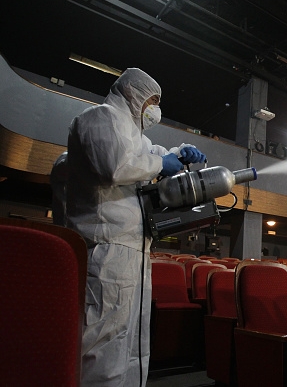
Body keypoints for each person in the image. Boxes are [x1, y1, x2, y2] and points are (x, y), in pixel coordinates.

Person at [64, 68, 206, 387]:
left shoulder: (137, 137)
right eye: (152, 100)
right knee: (101, 343)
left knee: (129, 343)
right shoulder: (100, 117)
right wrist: (161, 164)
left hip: (133, 250)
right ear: (133, 94)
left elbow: (151, 154)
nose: (155, 108)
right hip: (105, 247)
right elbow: (113, 165)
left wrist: (177, 154)